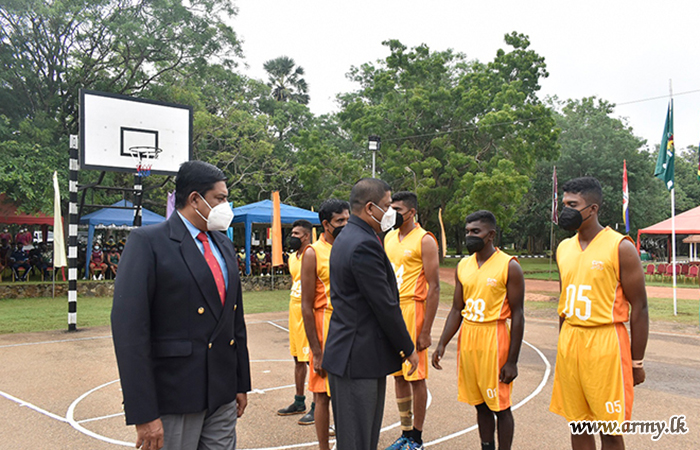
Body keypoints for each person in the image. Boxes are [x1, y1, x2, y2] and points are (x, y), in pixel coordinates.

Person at [111, 160, 250, 450]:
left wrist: (240, 382)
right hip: (176, 394)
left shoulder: (223, 244)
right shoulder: (149, 242)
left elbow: (234, 321)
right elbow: (130, 332)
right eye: (220, 198)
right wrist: (143, 412)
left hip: (222, 392)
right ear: (195, 199)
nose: (226, 206)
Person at [549, 177, 648, 450]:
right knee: (578, 424)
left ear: (592, 209)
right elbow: (565, 301)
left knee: (609, 430)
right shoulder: (563, 248)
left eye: (572, 205)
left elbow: (640, 306)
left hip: (606, 342)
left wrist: (637, 362)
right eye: (564, 204)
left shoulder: (621, 247)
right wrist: (562, 346)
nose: (565, 210)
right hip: (571, 341)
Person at [323, 178, 418, 450]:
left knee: (360, 439)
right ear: (369, 208)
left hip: (355, 353)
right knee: (358, 441)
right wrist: (407, 347)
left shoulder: (350, 236)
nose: (391, 213)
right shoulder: (363, 243)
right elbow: (384, 304)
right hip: (358, 357)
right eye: (387, 206)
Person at [432, 210, 525, 450]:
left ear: (491, 235)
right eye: (467, 232)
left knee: (500, 406)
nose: (469, 236)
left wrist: (512, 361)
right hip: (469, 338)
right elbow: (456, 309)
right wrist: (442, 343)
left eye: (476, 231)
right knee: (480, 404)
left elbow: (518, 315)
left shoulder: (509, 266)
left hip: (494, 337)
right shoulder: (463, 265)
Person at [383, 192, 440, 450]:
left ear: (412, 212)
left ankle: (417, 437)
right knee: (398, 375)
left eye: (397, 209)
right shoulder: (389, 237)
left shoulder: (425, 240)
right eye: (391, 208)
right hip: (392, 310)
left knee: (415, 377)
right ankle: (405, 432)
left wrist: (426, 330)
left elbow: (435, 287)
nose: (392, 213)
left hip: (412, 309)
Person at [302, 199, 350, 449]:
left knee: (347, 396)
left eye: (348, 219)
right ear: (325, 224)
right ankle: (323, 447)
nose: (345, 224)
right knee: (322, 395)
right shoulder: (313, 253)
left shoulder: (351, 246)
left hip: (349, 329)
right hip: (325, 327)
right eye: (340, 220)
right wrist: (317, 351)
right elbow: (306, 305)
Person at [277, 220, 313, 422]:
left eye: (296, 234)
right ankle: (299, 401)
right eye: (292, 233)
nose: (292, 237)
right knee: (297, 358)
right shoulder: (292, 257)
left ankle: (317, 405)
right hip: (294, 309)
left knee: (312, 360)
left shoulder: (313, 254)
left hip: (309, 311)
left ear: (306, 236)